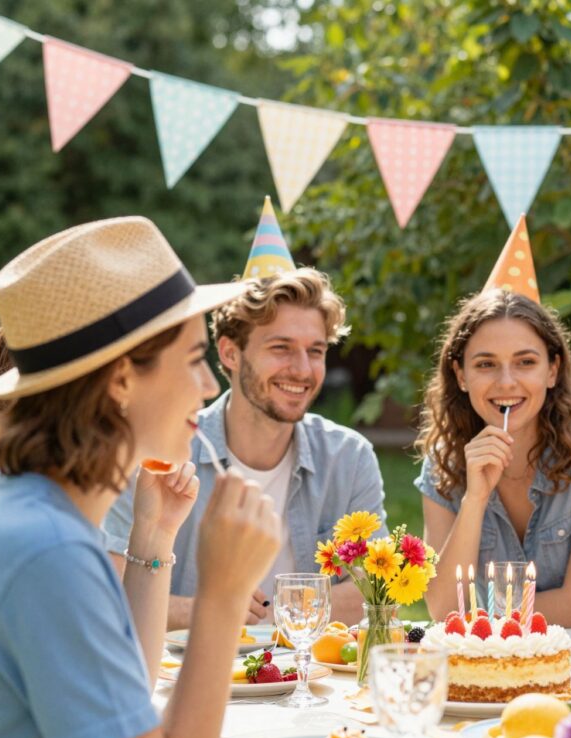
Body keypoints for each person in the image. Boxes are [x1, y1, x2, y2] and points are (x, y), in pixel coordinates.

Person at [0, 217, 281, 738]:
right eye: (191, 358)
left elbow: (123, 695)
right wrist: (224, 596)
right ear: (121, 380)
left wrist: (154, 540)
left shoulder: (38, 515)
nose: (208, 386)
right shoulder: (47, 549)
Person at [105, 200, 385, 627]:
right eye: (281, 348)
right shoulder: (159, 454)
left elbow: (377, 590)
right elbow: (111, 594)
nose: (304, 370)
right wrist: (216, 610)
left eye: (316, 351)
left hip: (312, 683)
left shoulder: (348, 457)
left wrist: (276, 617)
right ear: (230, 353)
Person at [415, 217, 571, 637]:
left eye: (526, 362)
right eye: (486, 364)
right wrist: (475, 497)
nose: (506, 382)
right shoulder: (444, 462)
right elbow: (439, 606)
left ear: (553, 369)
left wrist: (473, 621)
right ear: (460, 374)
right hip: (485, 672)